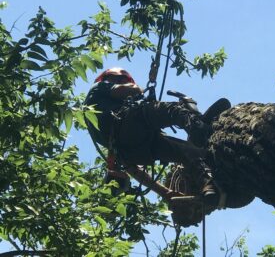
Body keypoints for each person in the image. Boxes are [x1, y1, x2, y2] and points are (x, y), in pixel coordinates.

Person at [85, 67, 230, 206]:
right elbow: (125, 90)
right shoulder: (99, 87)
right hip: (129, 123)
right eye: (122, 79)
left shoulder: (111, 141)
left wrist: (165, 192)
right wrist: (136, 89)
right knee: (172, 110)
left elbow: (133, 170)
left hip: (133, 150)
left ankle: (208, 184)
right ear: (111, 78)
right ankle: (200, 129)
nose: (124, 82)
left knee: (186, 152)